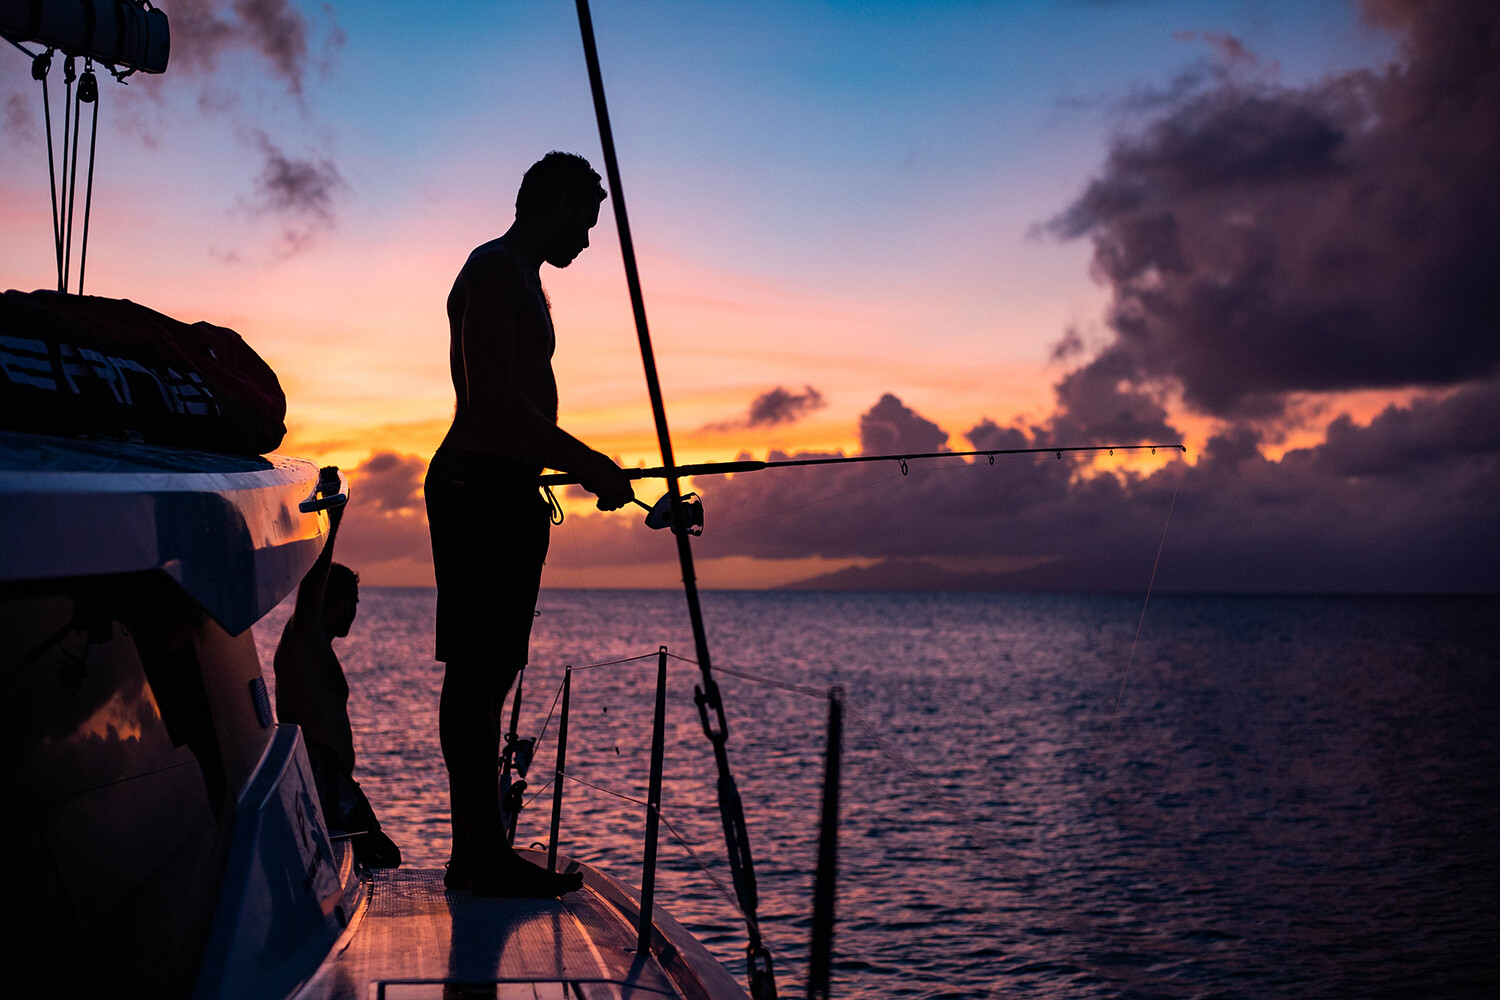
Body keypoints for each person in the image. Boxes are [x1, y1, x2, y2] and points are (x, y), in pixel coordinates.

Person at [426, 151, 634, 897]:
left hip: (505, 488)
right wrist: (588, 462)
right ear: (553, 204)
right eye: (584, 220)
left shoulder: (522, 277)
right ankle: (478, 856)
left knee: (494, 673)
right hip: (477, 486)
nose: (587, 238)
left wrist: (570, 465)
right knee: (476, 673)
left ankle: (482, 851)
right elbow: (492, 404)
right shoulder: (496, 271)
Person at [274, 469, 401, 868]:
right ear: (334, 601)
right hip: (318, 780)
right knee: (382, 858)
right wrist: (333, 514)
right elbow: (312, 583)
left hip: (332, 783)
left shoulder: (317, 648)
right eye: (352, 603)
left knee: (381, 858)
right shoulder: (302, 637)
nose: (355, 613)